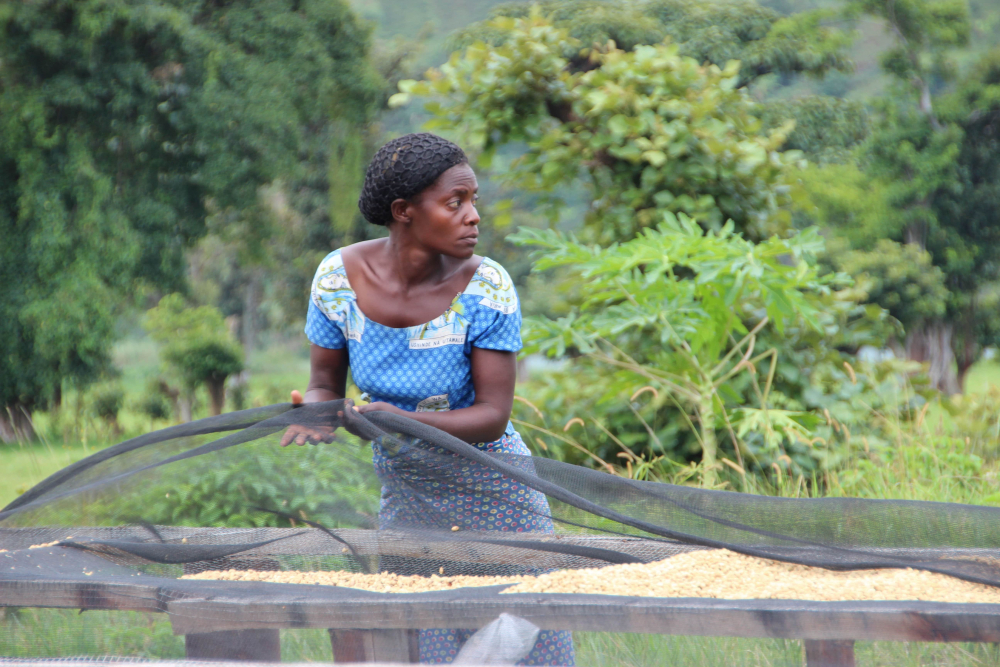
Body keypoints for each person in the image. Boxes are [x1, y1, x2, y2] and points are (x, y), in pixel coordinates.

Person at [283, 133, 575, 666]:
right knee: (425, 641)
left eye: (474, 201)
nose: (472, 217)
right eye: (454, 203)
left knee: (529, 632)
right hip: (409, 492)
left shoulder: (486, 286)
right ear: (404, 212)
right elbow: (326, 381)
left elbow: (492, 417)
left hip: (495, 488)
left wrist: (402, 420)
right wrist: (319, 412)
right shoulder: (336, 280)